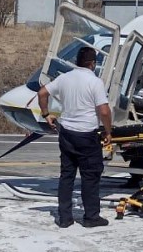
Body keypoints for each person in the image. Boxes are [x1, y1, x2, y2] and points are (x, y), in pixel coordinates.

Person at [37, 46, 113, 228]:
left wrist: (47, 114)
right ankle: (91, 217)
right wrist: (109, 131)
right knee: (90, 176)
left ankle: (65, 218)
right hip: (86, 135)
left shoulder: (64, 78)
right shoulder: (95, 82)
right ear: (92, 64)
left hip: (67, 133)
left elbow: (42, 93)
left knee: (67, 176)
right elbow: (103, 110)